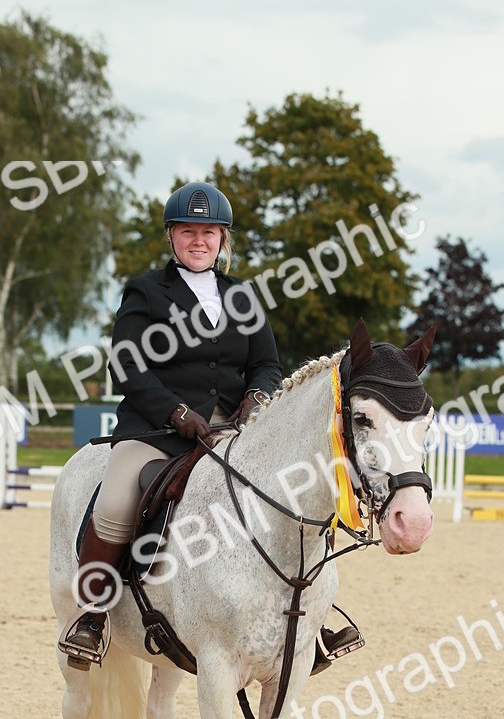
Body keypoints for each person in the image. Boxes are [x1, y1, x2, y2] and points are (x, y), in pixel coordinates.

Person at [58, 181, 361, 672]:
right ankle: (91, 617)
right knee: (115, 504)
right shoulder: (145, 293)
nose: (198, 241)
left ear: (223, 239)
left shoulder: (242, 296)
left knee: (291, 495)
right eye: (188, 231)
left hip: (232, 433)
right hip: (155, 432)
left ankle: (310, 621)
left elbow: (267, 363)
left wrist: (256, 399)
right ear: (172, 237)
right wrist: (176, 412)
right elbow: (129, 367)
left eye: (208, 232)